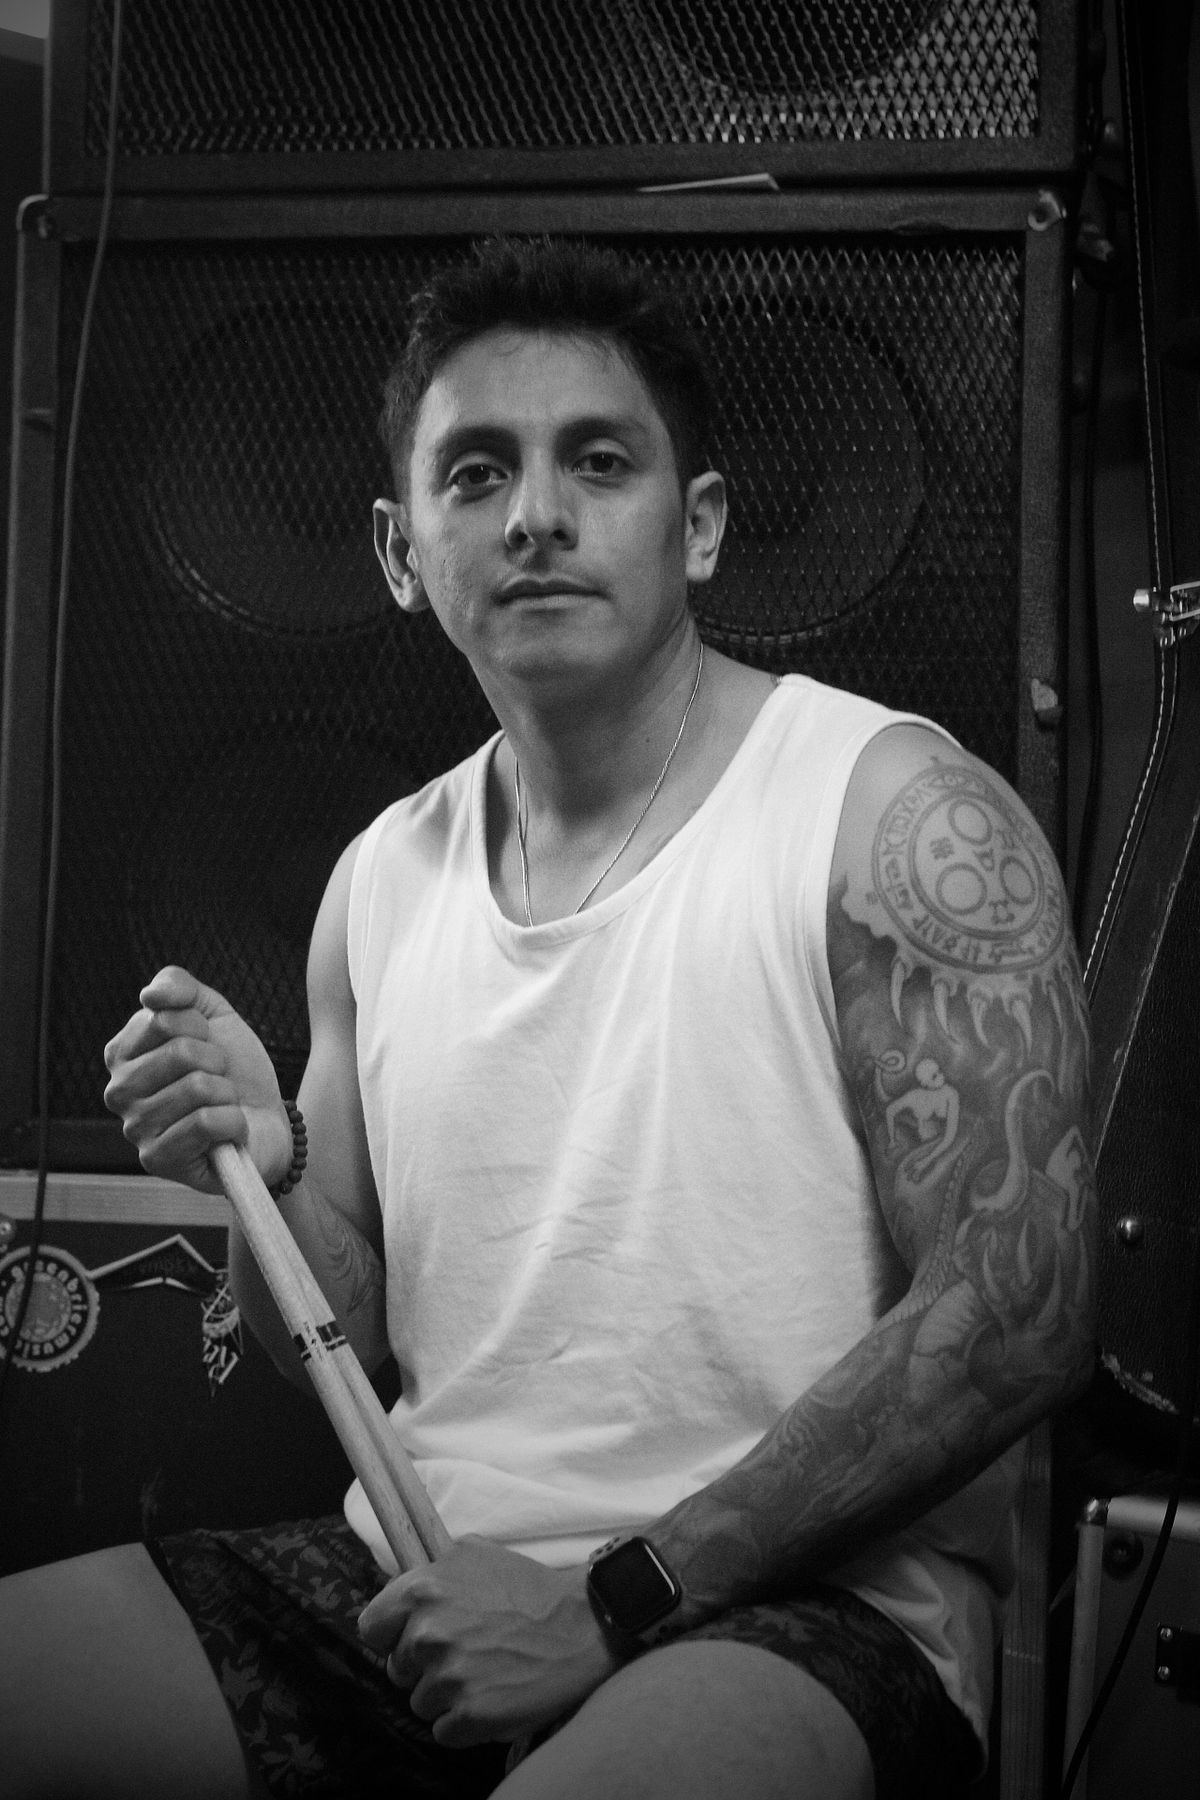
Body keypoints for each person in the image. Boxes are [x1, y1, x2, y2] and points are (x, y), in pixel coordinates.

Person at [0, 237, 1095, 1800]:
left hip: (802, 1606)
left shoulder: (894, 816)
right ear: (401, 550)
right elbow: (350, 1335)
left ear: (698, 525)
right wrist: (261, 1159)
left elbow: (1022, 1309)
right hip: (426, 1579)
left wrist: (608, 1602)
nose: (535, 515)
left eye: (598, 460)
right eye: (477, 472)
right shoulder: (380, 879)